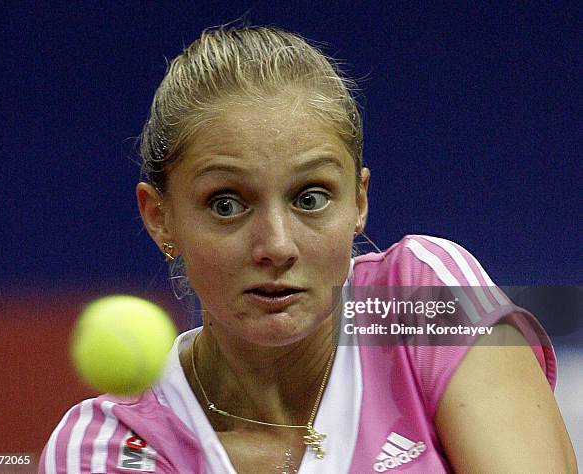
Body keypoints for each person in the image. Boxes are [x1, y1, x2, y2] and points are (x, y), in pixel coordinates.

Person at [39, 26, 576, 473]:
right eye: (227, 204)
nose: (276, 245)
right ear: (161, 218)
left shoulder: (421, 297)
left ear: (359, 201)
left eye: (311, 197)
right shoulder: (106, 449)